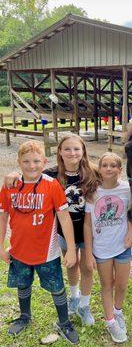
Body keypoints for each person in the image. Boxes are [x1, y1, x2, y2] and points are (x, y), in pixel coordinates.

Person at [3, 134, 102, 326]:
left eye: (76, 149)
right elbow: (32, 170)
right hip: (65, 231)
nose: (72, 153)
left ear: (83, 151)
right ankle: (73, 297)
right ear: (59, 152)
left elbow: (112, 176)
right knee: (71, 264)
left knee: (88, 266)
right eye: (67, 149)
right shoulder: (53, 174)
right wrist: (14, 174)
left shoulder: (93, 172)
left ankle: (85, 304)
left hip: (89, 229)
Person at [0, 141, 79, 344]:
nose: (31, 166)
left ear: (44, 162)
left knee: (56, 287)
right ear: (18, 162)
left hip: (47, 252)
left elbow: (64, 218)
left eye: (36, 161)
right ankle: (24, 316)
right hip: (19, 250)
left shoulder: (51, 185)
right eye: (26, 161)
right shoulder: (10, 186)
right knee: (22, 283)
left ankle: (64, 322)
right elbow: (3, 216)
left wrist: (70, 248)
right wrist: (1, 246)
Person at [83, 152, 132, 343]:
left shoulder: (127, 190)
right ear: (100, 168)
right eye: (105, 165)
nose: (109, 168)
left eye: (113, 165)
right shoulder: (93, 193)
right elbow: (87, 225)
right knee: (107, 284)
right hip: (101, 249)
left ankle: (118, 311)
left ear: (120, 170)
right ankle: (111, 321)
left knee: (121, 285)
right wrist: (88, 254)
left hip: (122, 246)